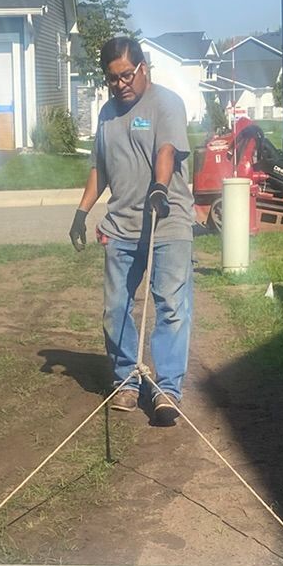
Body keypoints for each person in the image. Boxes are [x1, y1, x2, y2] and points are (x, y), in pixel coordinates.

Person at [69, 35, 194, 427]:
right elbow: (100, 168)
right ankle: (127, 379)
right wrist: (81, 212)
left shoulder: (166, 103)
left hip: (167, 222)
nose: (120, 84)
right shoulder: (107, 114)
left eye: (126, 75)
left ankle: (167, 389)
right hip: (121, 227)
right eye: (112, 78)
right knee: (115, 308)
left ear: (144, 68)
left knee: (170, 306)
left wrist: (160, 187)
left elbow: (166, 151)